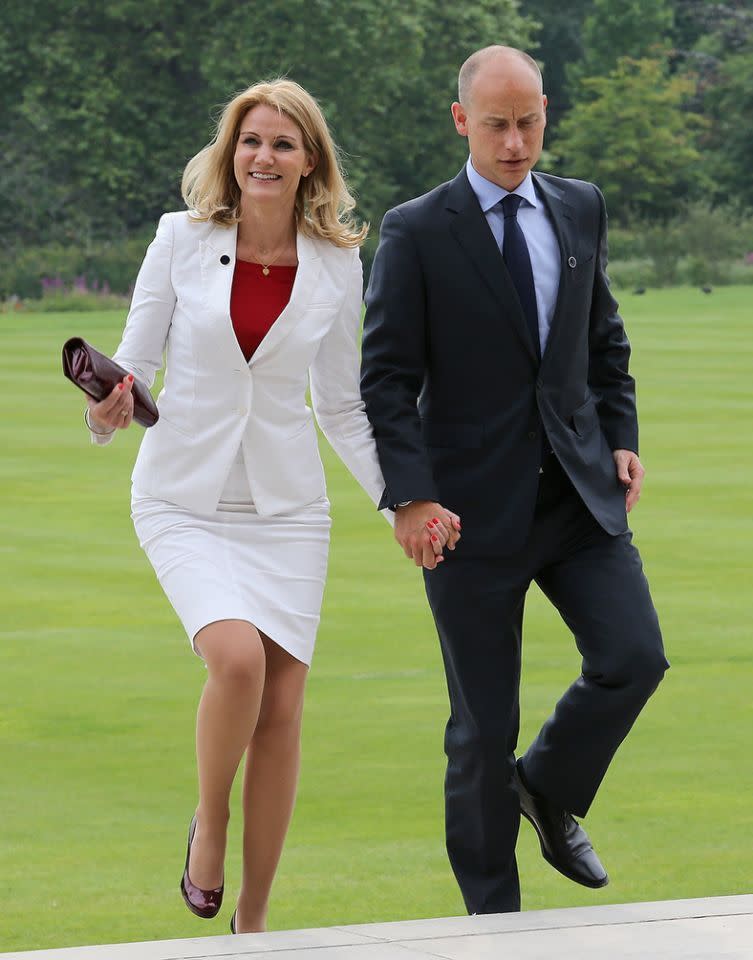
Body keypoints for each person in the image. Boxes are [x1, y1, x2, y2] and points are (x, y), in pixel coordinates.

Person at [83, 78, 455, 934]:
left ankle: (254, 921)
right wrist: (108, 408)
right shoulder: (179, 239)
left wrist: (404, 500)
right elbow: (132, 370)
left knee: (283, 709)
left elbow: (344, 403)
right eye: (250, 140)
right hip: (182, 499)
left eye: (283, 143)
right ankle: (208, 820)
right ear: (230, 153)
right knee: (239, 664)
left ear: (309, 161)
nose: (264, 156)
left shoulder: (334, 262)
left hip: (289, 512)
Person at [360, 46, 669, 914]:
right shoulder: (416, 229)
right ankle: (491, 924)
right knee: (479, 731)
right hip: (464, 513)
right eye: (495, 123)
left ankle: (546, 785)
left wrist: (620, 437)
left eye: (527, 120)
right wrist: (411, 495)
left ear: (545, 113)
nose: (514, 140)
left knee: (633, 658)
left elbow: (602, 342)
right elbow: (383, 377)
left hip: (575, 493)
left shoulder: (579, 207)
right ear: (460, 119)